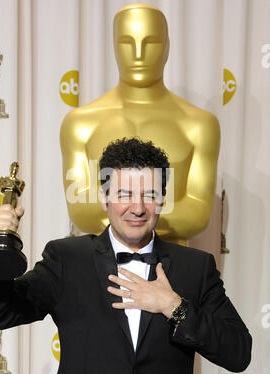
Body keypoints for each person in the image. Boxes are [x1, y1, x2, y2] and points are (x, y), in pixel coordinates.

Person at [0, 138, 251, 374]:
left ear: (163, 199)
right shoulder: (67, 258)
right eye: (125, 194)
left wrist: (174, 306)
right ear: (104, 197)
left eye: (149, 195)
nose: (138, 208)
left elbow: (238, 353)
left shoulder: (195, 267)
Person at [60, 4, 220, 245]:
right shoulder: (80, 123)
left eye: (151, 42)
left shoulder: (199, 124)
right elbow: (79, 208)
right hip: (97, 268)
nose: (138, 53)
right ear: (114, 46)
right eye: (127, 42)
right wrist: (152, 213)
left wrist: (121, 214)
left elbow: (198, 213)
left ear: (167, 48)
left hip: (173, 268)